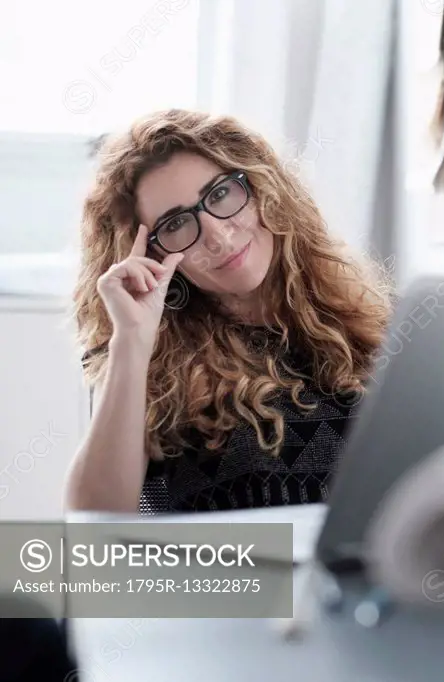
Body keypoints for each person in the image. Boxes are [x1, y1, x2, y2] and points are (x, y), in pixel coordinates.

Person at [64, 109, 392, 514]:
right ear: (152, 253)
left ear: (261, 188)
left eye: (220, 194)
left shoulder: (369, 322)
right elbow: (94, 519)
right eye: (177, 223)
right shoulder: (146, 359)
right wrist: (131, 340)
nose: (218, 237)